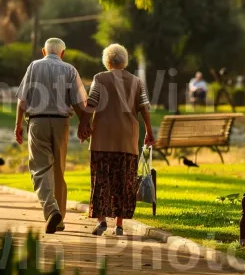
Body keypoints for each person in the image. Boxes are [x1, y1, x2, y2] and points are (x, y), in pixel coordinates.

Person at [78, 44, 154, 236]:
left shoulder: (100, 78)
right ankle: (119, 225)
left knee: (100, 179)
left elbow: (91, 104)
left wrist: (84, 126)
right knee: (123, 181)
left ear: (107, 61)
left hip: (102, 138)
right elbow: (144, 108)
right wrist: (149, 132)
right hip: (127, 140)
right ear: (124, 61)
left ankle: (101, 221)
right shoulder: (136, 82)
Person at [15, 38, 87, 233]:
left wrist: (18, 124)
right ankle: (60, 219)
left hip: (37, 122)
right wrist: (84, 124)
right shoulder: (70, 70)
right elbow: (80, 102)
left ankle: (51, 210)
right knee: (58, 170)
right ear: (63, 53)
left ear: (43, 51)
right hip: (61, 123)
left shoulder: (33, 67)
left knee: (39, 169)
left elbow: (22, 99)